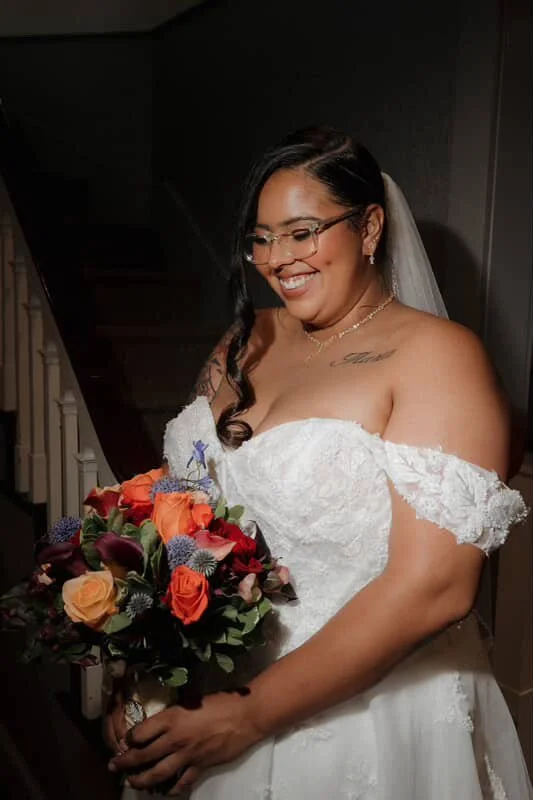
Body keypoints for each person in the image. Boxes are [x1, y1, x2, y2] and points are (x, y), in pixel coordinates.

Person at [105, 127, 532, 798]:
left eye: (303, 232)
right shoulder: (244, 339)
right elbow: (179, 510)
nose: (277, 259)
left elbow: (436, 588)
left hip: (364, 714)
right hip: (207, 689)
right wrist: (140, 665)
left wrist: (249, 713)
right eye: (261, 237)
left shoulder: (437, 357)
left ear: (368, 228)